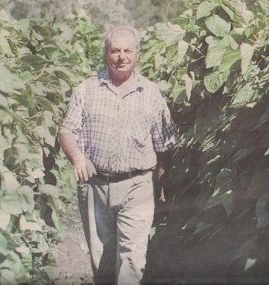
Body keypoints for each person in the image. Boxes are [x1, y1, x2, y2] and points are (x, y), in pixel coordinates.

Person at [58, 25, 178, 285]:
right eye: (115, 51)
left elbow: (165, 145)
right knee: (102, 261)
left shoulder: (151, 93)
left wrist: (163, 180)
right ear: (106, 53)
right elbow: (67, 131)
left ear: (137, 54)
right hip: (95, 185)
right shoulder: (87, 89)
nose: (121, 56)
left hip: (138, 184)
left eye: (127, 50)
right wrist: (78, 157)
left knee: (132, 259)